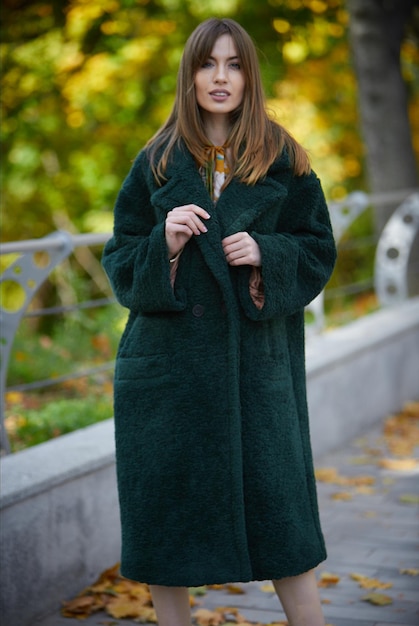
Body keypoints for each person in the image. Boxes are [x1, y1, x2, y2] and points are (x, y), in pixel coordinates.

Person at [102, 17, 337, 626]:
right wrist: (168, 243)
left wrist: (267, 253)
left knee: (283, 518)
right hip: (170, 372)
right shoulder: (155, 161)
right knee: (166, 524)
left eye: (234, 64)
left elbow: (317, 250)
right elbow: (121, 262)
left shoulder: (285, 159)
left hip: (257, 370)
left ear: (249, 76)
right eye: (208, 64)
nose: (221, 77)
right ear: (190, 75)